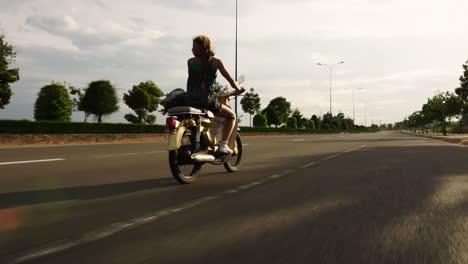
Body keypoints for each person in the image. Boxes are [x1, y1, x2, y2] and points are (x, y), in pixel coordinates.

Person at [186, 35, 245, 154]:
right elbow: (231, 81)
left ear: (202, 47)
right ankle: (223, 144)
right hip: (205, 99)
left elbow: (192, 81)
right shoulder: (216, 63)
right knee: (232, 116)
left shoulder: (190, 62)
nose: (192, 50)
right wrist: (239, 88)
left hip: (189, 98)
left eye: (194, 47)